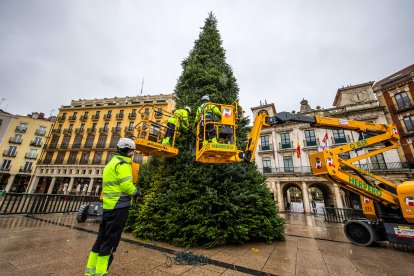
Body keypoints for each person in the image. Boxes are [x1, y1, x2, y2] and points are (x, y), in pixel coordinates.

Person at [85, 137, 142, 276]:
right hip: (119, 206)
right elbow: (126, 186)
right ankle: (101, 272)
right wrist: (137, 193)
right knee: (111, 241)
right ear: (128, 150)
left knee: (101, 238)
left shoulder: (111, 163)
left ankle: (91, 270)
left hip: (108, 206)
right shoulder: (122, 164)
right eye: (132, 151)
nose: (132, 153)